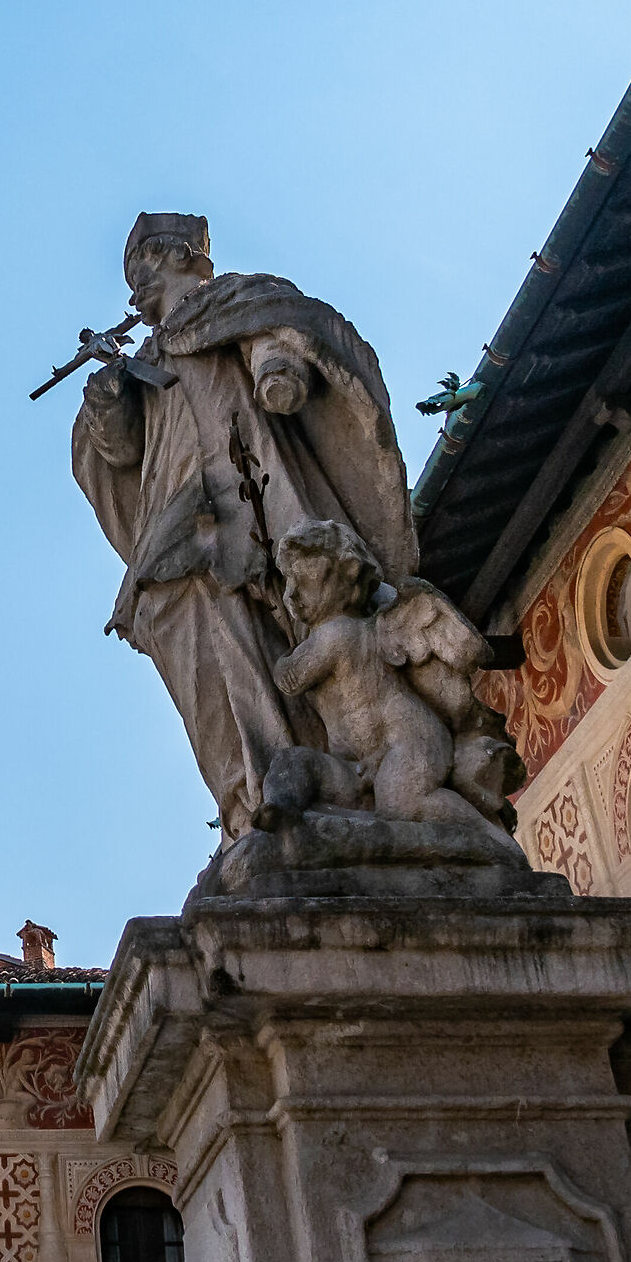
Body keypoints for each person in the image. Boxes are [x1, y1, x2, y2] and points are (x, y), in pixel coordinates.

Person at [70, 213, 417, 838]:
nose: (134, 290)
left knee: (295, 609)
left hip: (254, 490)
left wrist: (274, 370)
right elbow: (122, 454)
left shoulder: (232, 303)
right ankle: (240, 797)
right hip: (175, 510)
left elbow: (275, 340)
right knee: (172, 615)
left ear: (181, 254)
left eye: (141, 267)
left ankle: (331, 770)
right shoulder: (145, 361)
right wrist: (106, 406)